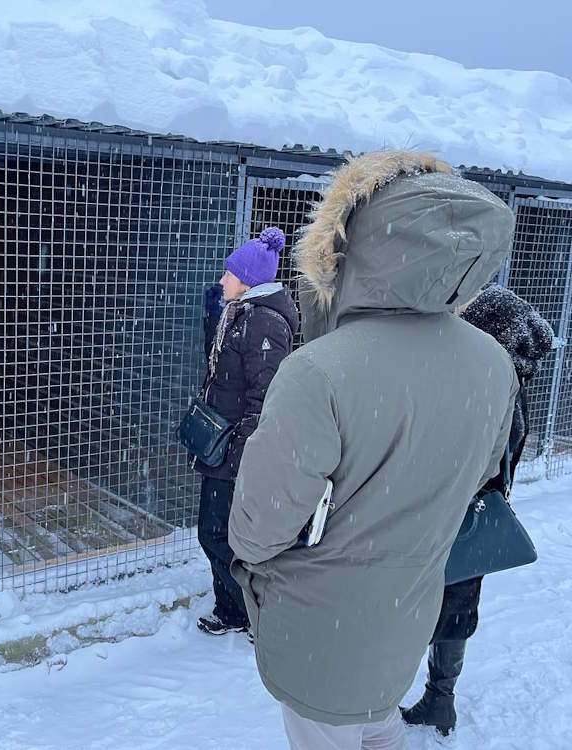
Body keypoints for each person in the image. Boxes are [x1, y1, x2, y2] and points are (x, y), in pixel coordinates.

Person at [226, 150, 519, 750]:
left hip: (321, 634)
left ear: (348, 243)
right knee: (380, 726)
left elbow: (257, 530)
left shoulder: (319, 371)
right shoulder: (492, 362)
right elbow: (481, 474)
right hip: (407, 620)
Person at [402, 284, 553, 736]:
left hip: (446, 516)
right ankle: (440, 698)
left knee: (414, 606)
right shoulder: (508, 385)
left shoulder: (485, 387)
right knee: (456, 608)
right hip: (476, 520)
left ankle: (399, 699)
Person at [195, 227, 298, 636]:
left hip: (236, 450)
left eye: (229, 274)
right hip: (222, 444)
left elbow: (265, 395)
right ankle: (232, 609)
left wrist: (241, 455)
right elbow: (220, 368)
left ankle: (254, 612)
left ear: (249, 280)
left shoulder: (265, 324)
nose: (222, 281)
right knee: (217, 533)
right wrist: (211, 318)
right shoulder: (240, 314)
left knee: (218, 534)